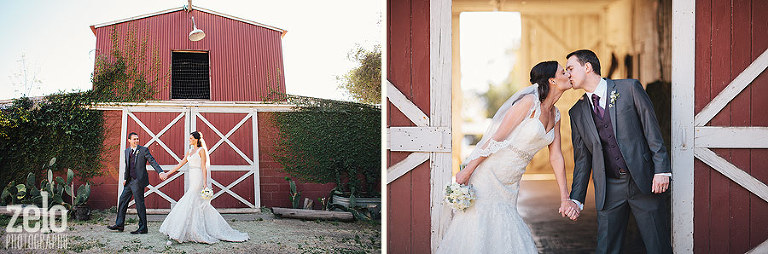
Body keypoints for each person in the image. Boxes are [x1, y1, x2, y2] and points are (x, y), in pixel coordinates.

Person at [436, 61, 573, 253]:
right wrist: (468, 169)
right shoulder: (529, 103)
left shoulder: (556, 115)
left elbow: (556, 156)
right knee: (480, 225)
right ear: (552, 80)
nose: (568, 74)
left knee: (502, 227)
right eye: (563, 72)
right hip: (490, 173)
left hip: (511, 180)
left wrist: (565, 197)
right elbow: (497, 137)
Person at [565, 49, 672, 254]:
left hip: (644, 181)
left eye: (571, 68)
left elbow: (652, 131)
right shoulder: (576, 113)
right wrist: (576, 199)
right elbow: (582, 160)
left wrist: (661, 170)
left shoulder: (630, 88)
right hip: (609, 188)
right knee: (606, 249)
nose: (567, 74)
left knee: (658, 246)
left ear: (587, 67)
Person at [158, 131, 249, 244]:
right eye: (189, 138)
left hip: (199, 177)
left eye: (191, 138)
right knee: (196, 202)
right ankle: (190, 229)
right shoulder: (190, 151)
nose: (189, 140)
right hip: (192, 176)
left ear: (196, 139)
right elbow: (180, 164)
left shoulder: (201, 151)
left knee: (190, 198)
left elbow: (204, 167)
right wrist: (167, 174)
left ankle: (187, 230)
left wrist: (205, 183)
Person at [108, 132, 165, 234]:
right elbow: (128, 166)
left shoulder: (143, 150)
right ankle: (120, 224)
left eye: (137, 139)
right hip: (129, 181)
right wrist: (125, 178)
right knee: (122, 200)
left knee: (139, 204)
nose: (136, 141)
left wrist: (160, 171)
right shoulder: (126, 151)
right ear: (129, 140)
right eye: (134, 139)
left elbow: (152, 161)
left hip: (138, 181)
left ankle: (143, 228)